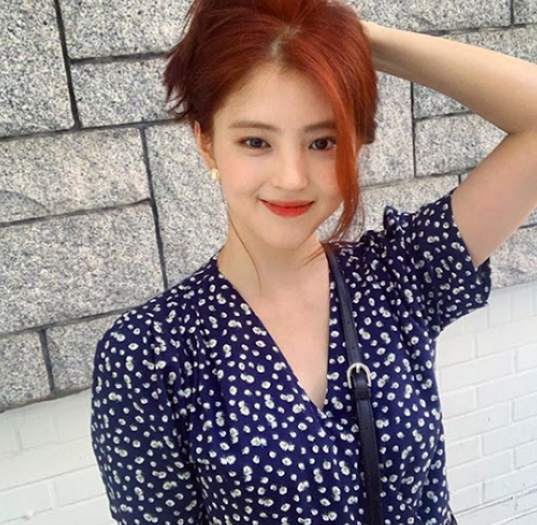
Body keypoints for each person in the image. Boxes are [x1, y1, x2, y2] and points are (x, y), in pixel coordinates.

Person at [90, 0, 537, 524]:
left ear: (356, 143)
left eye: (323, 141)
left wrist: (356, 41)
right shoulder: (148, 352)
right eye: (255, 141)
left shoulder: (398, 276)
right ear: (206, 143)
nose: (292, 177)